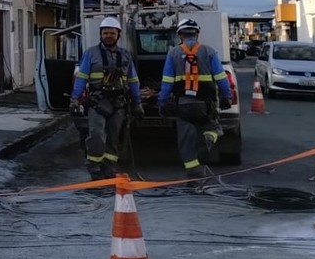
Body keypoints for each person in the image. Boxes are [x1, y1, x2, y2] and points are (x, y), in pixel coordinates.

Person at [156, 18, 233, 179]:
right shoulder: (209, 51)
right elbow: (221, 78)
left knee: (186, 142)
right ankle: (208, 138)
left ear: (180, 36)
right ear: (197, 34)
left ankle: (195, 176)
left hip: (183, 105)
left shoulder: (173, 53)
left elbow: (167, 82)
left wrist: (162, 102)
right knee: (215, 129)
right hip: (205, 105)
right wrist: (227, 97)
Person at [69, 16, 144, 180]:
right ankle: (94, 169)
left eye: (112, 32)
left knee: (113, 139)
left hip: (119, 103)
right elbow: (82, 77)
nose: (108, 35)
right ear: (100, 34)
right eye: (105, 33)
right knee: (96, 135)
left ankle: (109, 169)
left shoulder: (125, 56)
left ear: (119, 34)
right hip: (97, 102)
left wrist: (137, 103)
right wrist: (75, 99)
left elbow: (133, 80)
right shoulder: (90, 54)